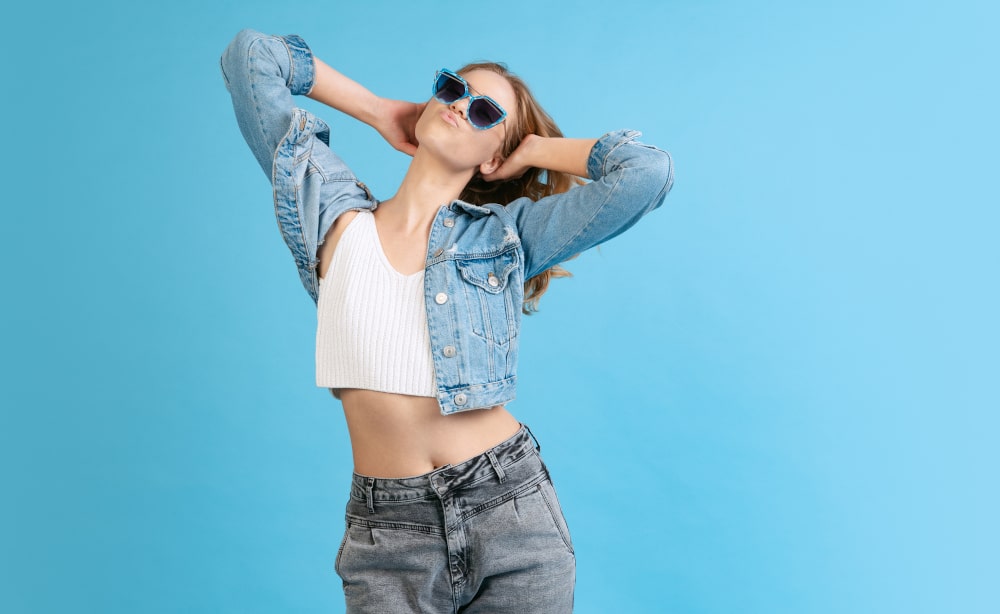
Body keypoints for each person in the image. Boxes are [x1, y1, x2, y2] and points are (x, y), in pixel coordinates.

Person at [220, 27, 674, 614]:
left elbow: (647, 174)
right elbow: (251, 57)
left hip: (509, 508)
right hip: (389, 535)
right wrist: (380, 110)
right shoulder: (331, 214)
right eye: (451, 88)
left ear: (494, 157)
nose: (460, 104)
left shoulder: (506, 236)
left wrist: (533, 149)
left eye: (485, 111)